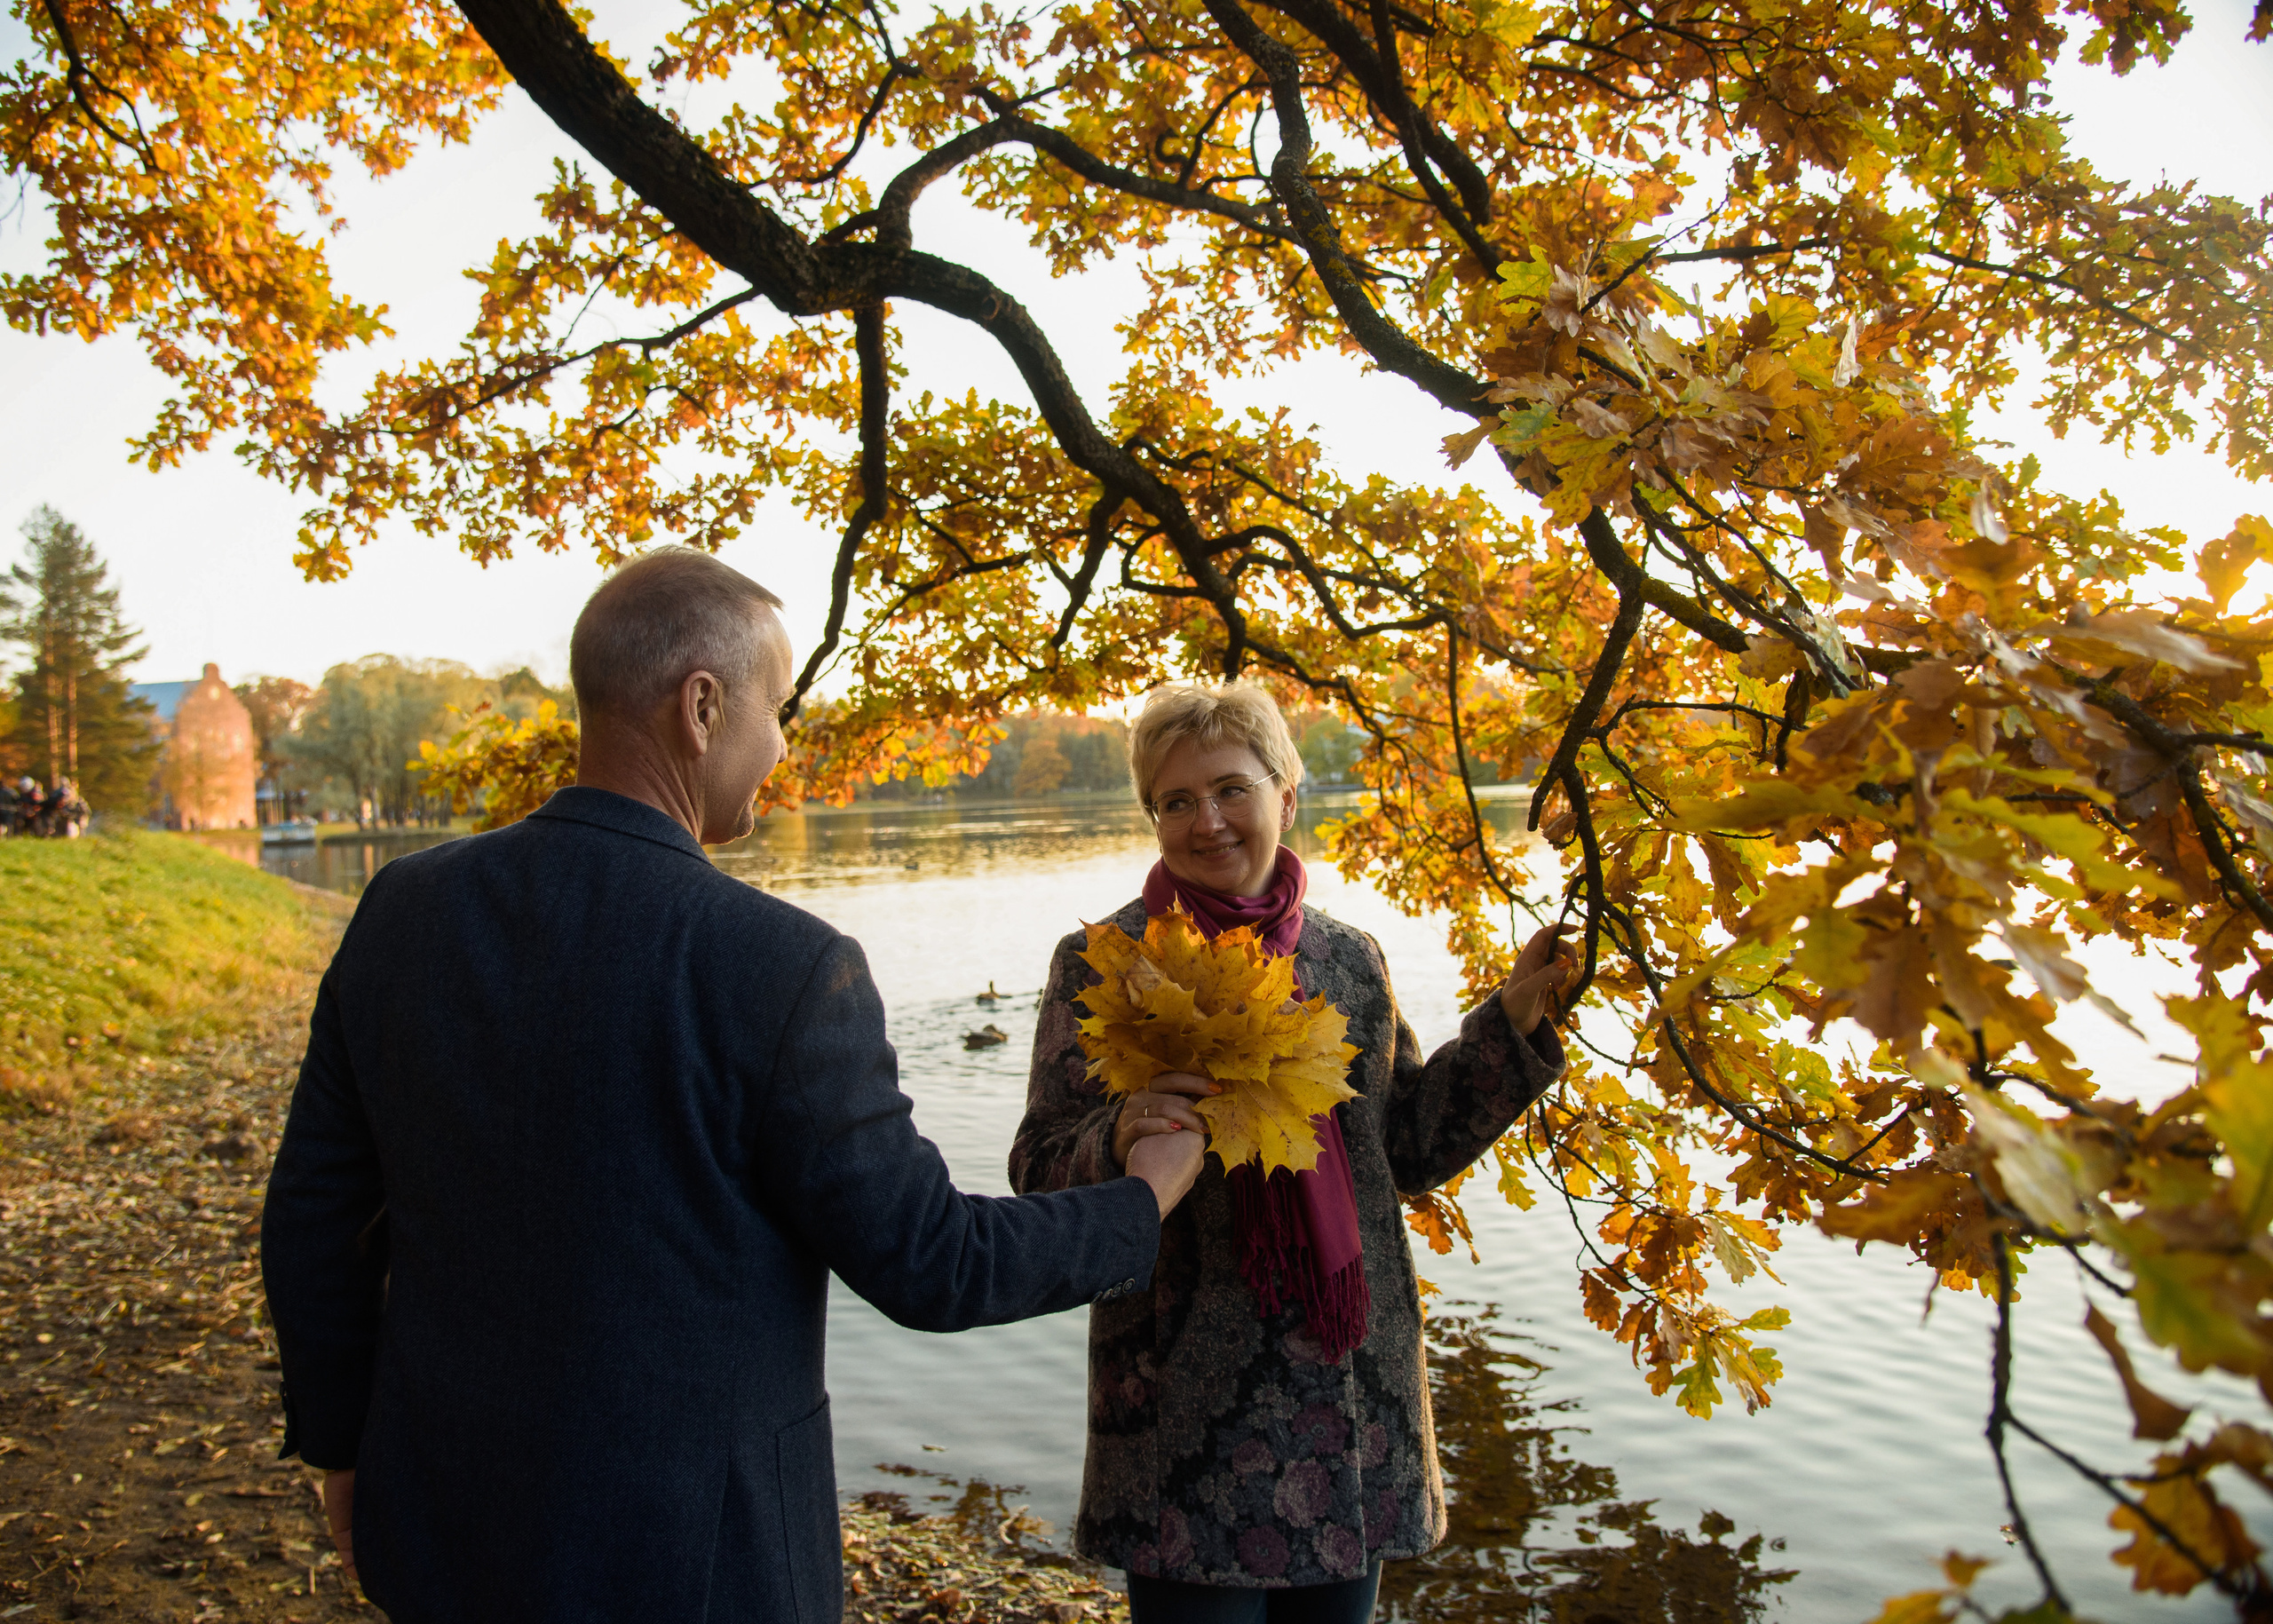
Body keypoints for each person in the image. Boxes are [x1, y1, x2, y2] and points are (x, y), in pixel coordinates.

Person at [260, 548, 1205, 1624]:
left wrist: (344, 1445)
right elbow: (933, 1261)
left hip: (443, 1518)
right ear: (702, 705)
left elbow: (314, 1219)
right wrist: (1144, 1196)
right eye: (780, 707)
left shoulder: (402, 909)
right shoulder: (781, 964)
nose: (784, 746)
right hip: (700, 1559)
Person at [1010, 682, 1574, 1623]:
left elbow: (1406, 1146)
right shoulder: (1106, 959)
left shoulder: (1348, 960)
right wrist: (1117, 1132)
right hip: (1182, 1406)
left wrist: (1508, 1025)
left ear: (1285, 793)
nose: (1208, 821)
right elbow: (1037, 1164)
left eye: (1230, 788)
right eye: (1176, 801)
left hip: (1350, 1392)